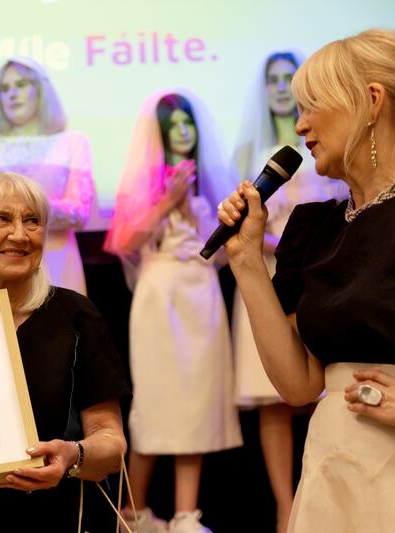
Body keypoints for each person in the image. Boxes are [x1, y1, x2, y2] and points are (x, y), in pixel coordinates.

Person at [217, 29, 395, 532]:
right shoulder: (316, 228)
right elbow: (298, 385)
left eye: (313, 106)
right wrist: (246, 260)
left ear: (372, 101)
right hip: (333, 465)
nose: (300, 125)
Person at [0, 170, 129, 532]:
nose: (20, 234)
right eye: (2, 219)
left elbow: (112, 444)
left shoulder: (76, 315)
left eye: (32, 221)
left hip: (55, 516)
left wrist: (73, 456)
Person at [104, 92, 241, 533]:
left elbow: (222, 248)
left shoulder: (211, 177)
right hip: (159, 293)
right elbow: (121, 242)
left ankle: (185, 514)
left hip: (200, 290)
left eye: (187, 122)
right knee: (155, 400)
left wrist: (193, 211)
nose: (182, 131)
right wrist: (167, 202)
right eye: (173, 124)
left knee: (196, 400)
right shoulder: (145, 180)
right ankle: (134, 511)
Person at [231, 51, 347, 533]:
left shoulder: (333, 158)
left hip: (326, 265)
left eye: (292, 84)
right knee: (274, 397)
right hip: (272, 268)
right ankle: (285, 504)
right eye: (274, 80)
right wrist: (253, 249)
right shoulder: (251, 150)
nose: (282, 90)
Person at [0, 57, 93, 295]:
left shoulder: (72, 142)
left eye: (21, 84)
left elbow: (79, 214)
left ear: (40, 90)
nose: (12, 94)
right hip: (0, 268)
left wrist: (9, 204)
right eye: (4, 88)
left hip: (58, 267)